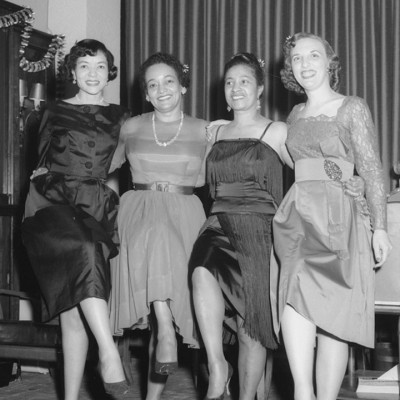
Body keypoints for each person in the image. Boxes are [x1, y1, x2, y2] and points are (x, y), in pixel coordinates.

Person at [271, 32, 392, 400]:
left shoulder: (351, 107)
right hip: (298, 214)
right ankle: (302, 392)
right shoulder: (294, 114)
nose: (305, 64)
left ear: (330, 63)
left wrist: (380, 228)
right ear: (290, 69)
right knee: (294, 291)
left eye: (313, 56)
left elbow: (371, 170)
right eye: (296, 59)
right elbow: (295, 161)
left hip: (340, 215)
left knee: (335, 317)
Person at [21, 39, 132, 400]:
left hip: (96, 205)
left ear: (109, 70)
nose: (92, 74)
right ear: (72, 71)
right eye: (84, 66)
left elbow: (123, 165)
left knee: (73, 305)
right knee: (84, 252)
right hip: (51, 201)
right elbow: (39, 164)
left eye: (99, 65)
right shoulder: (52, 110)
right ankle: (109, 352)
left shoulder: (122, 116)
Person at [189, 52, 293, 400]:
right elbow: (194, 176)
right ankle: (218, 364)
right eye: (230, 82)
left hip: (260, 232)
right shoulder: (215, 132)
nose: (236, 88)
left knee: (253, 328)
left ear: (260, 89)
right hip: (218, 221)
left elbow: (309, 173)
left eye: (244, 81)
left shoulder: (276, 131)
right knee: (201, 268)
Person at [108, 52, 209, 400]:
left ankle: (163, 334)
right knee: (155, 236)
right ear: (146, 95)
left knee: (164, 241)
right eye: (153, 84)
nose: (161, 89)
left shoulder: (205, 130)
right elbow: (98, 169)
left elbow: (226, 176)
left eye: (168, 81)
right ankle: (165, 325)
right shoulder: (131, 127)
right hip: (137, 214)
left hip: (184, 216)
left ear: (182, 85)